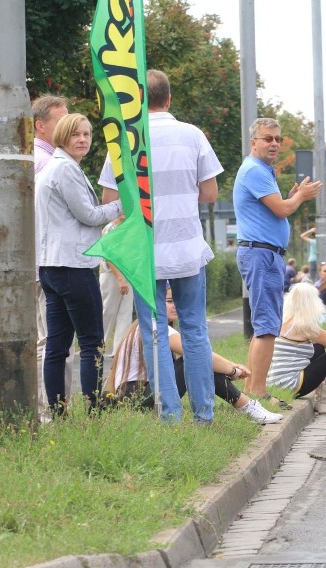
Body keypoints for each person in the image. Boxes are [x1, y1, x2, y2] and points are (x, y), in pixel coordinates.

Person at [99, 69, 222, 423]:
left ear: (138, 100)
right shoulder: (193, 135)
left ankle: (169, 414)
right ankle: (205, 414)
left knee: (154, 334)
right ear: (168, 99)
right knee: (195, 329)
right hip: (187, 250)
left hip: (145, 253)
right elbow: (210, 194)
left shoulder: (125, 140)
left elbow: (111, 201)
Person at [36, 113, 123, 413]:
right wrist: (123, 204)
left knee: (57, 345)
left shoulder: (53, 168)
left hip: (52, 266)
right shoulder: (66, 170)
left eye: (87, 134)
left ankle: (58, 410)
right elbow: (88, 215)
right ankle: (93, 408)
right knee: (91, 342)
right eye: (76, 135)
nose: (83, 140)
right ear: (62, 137)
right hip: (73, 266)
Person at [233, 117, 322, 407]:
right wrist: (298, 198)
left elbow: (276, 210)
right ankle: (257, 392)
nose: (274, 143)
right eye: (267, 138)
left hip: (266, 254)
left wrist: (294, 197)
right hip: (261, 254)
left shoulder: (263, 171)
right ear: (253, 142)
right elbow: (282, 209)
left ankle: (253, 387)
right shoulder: (255, 171)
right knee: (267, 326)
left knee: (267, 324)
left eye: (277, 139)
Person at [106, 288, 283, 425]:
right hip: (138, 399)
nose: (174, 305)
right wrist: (233, 370)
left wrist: (232, 366)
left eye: (176, 300)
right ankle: (248, 407)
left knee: (197, 360)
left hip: (133, 398)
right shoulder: (156, 327)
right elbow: (199, 355)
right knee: (194, 361)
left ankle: (248, 406)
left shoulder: (143, 326)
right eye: (168, 301)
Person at [32, 95, 74, 419]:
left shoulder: (46, 158)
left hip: (47, 262)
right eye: (61, 121)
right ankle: (50, 411)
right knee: (51, 342)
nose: (69, 126)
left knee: (51, 341)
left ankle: (53, 409)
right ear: (41, 125)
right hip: (49, 262)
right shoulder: (46, 162)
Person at [267, 283, 326, 414]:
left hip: (276, 383)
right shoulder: (303, 326)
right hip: (292, 384)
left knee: (319, 347)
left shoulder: (285, 321)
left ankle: (321, 396)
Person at [99, 215, 133, 357]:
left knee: (125, 312)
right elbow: (109, 255)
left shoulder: (129, 227)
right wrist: (120, 278)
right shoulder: (111, 228)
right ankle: (99, 346)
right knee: (108, 311)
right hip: (111, 274)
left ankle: (120, 350)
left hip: (128, 273)